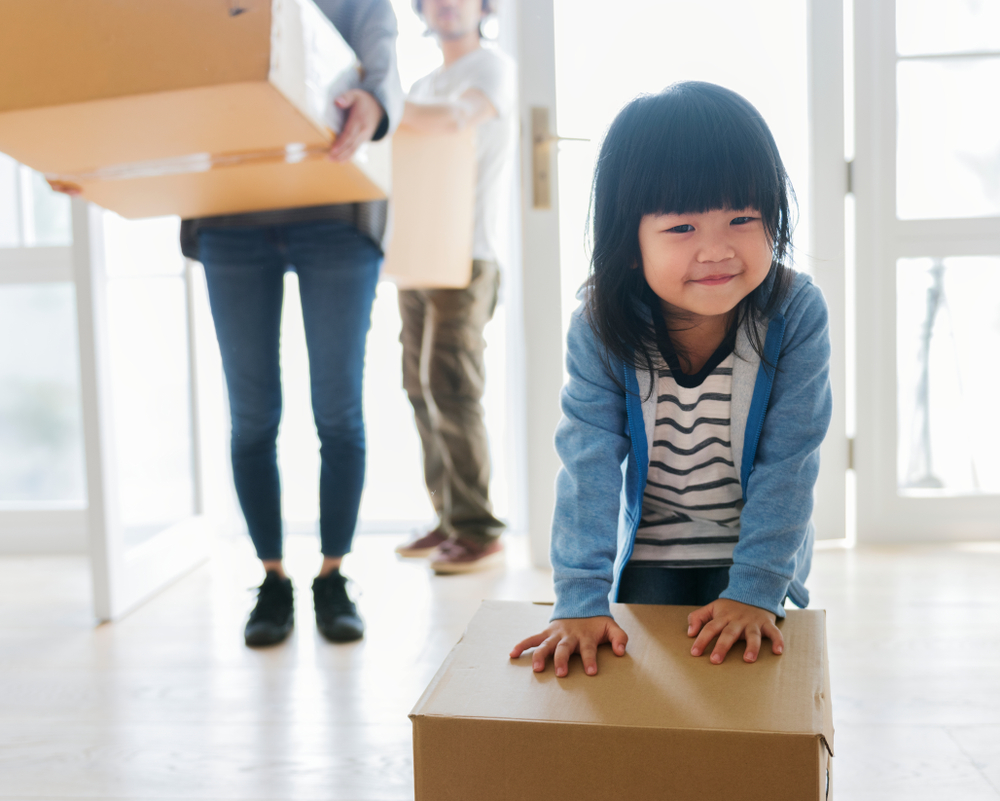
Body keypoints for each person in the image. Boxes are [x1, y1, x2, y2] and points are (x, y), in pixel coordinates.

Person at [510, 82, 832, 676]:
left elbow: (791, 461)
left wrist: (757, 586)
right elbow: (589, 461)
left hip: (756, 549)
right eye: (682, 228)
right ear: (630, 245)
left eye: (742, 218)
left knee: (747, 683)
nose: (716, 250)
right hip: (654, 547)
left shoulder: (794, 312)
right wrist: (580, 597)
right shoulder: (601, 323)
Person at [179, 0, 404, 647]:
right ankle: (272, 580)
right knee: (252, 416)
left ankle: (332, 574)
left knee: (337, 410)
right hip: (229, 211)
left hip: (333, 209)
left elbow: (380, 60)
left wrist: (373, 101)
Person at [391, 0, 516, 573]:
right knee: (419, 387)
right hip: (418, 253)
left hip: (466, 256)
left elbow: (451, 120)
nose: (445, 4)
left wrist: (379, 104)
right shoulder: (424, 81)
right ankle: (448, 519)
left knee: (451, 387)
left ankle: (479, 531)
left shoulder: (490, 68)